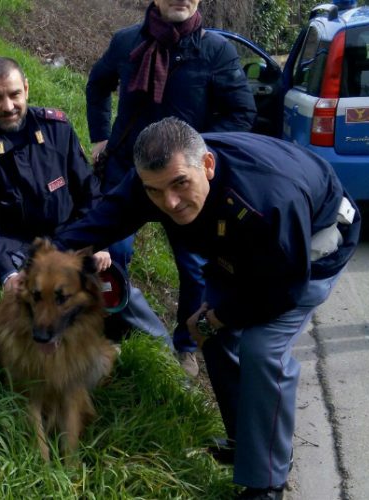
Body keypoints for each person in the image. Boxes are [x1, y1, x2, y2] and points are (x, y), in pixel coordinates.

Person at [55, 117, 360, 499]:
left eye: (180, 184)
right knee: (211, 336)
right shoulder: (155, 178)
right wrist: (41, 259)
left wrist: (218, 315)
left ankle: (267, 483)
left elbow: (285, 288)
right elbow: (104, 220)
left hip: (308, 249)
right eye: (155, 191)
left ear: (208, 165)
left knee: (262, 351)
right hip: (240, 250)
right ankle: (245, 442)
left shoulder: (269, 198)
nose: (170, 203)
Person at [86, 0, 257, 376]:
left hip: (182, 184)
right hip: (127, 174)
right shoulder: (127, 42)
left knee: (194, 267)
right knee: (110, 257)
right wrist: (100, 136)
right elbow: (98, 84)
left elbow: (241, 112)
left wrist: (198, 154)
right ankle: (114, 331)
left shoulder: (214, 51)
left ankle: (185, 345)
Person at [0, 56, 173, 348]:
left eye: (14, 94)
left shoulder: (56, 128)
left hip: (69, 236)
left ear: (27, 90)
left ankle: (165, 352)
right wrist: (6, 272)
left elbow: (89, 190)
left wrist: (99, 242)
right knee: (31, 291)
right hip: (17, 245)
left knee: (117, 288)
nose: (7, 106)